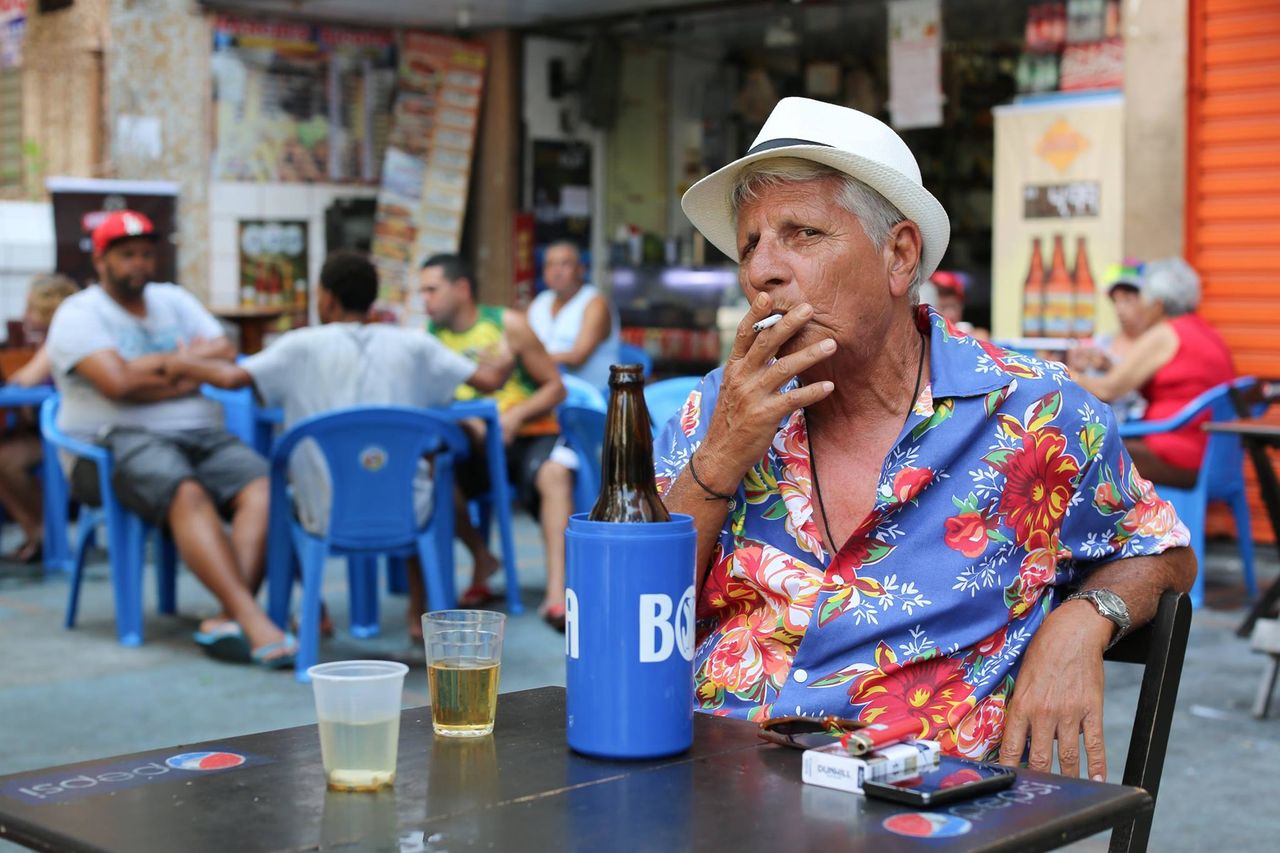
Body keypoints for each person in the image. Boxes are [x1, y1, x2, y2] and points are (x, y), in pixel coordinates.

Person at [658, 98, 1195, 780]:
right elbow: (627, 618)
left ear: (899, 254)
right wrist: (723, 455)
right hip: (706, 795)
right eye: (750, 245)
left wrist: (1085, 618)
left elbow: (1162, 547)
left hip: (915, 813)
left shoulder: (1029, 411)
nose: (763, 269)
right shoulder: (717, 407)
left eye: (801, 233)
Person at [166, 250, 512, 640]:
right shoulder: (415, 346)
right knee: (416, 477)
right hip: (407, 513)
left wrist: (181, 363)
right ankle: (421, 615)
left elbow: (231, 379)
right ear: (372, 299)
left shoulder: (298, 346)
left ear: (326, 298)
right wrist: (509, 351)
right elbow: (489, 379)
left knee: (281, 496)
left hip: (324, 513)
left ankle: (315, 612)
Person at [44, 210, 294, 667]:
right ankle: (253, 620)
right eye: (126, 255)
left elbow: (224, 350)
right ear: (101, 260)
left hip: (198, 433)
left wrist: (155, 367)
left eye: (146, 253)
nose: (139, 263)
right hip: (109, 444)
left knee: (264, 485)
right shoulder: (78, 313)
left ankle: (227, 616)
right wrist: (182, 366)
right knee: (184, 489)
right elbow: (117, 385)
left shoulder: (173, 299)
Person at [419, 254, 571, 630]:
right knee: (431, 477)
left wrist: (515, 416)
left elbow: (556, 387)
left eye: (432, 289)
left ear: (462, 288)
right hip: (468, 445)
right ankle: (482, 555)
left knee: (555, 474)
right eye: (422, 292)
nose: (425, 300)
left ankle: (557, 596)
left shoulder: (508, 325)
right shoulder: (429, 340)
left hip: (526, 435)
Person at [1072, 258, 1235, 487]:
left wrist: (1060, 373)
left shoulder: (1165, 334)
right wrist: (1108, 366)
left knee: (1078, 448)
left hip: (1178, 456)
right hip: (1214, 456)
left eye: (1142, 300)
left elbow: (1108, 389)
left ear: (1157, 305)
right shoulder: (1205, 331)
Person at [0, 273, 79, 564]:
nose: (23, 315)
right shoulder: (49, 340)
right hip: (53, 431)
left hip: (67, 434)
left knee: (6, 460)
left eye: (29, 307)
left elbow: (23, 382)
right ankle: (36, 531)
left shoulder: (58, 338)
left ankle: (45, 533)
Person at [527, 240, 620, 390]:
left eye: (565, 264)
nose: (556, 272)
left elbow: (577, 357)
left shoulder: (595, 303)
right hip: (550, 391)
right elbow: (521, 340)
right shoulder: (540, 302)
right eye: (550, 265)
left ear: (580, 270)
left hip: (592, 397)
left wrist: (529, 358)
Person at [1067, 262, 1148, 423]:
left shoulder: (1152, 344)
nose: (1120, 308)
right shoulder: (1102, 342)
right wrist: (1078, 368)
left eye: (1127, 300)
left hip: (1132, 428)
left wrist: (1110, 368)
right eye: (1116, 301)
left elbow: (1145, 396)